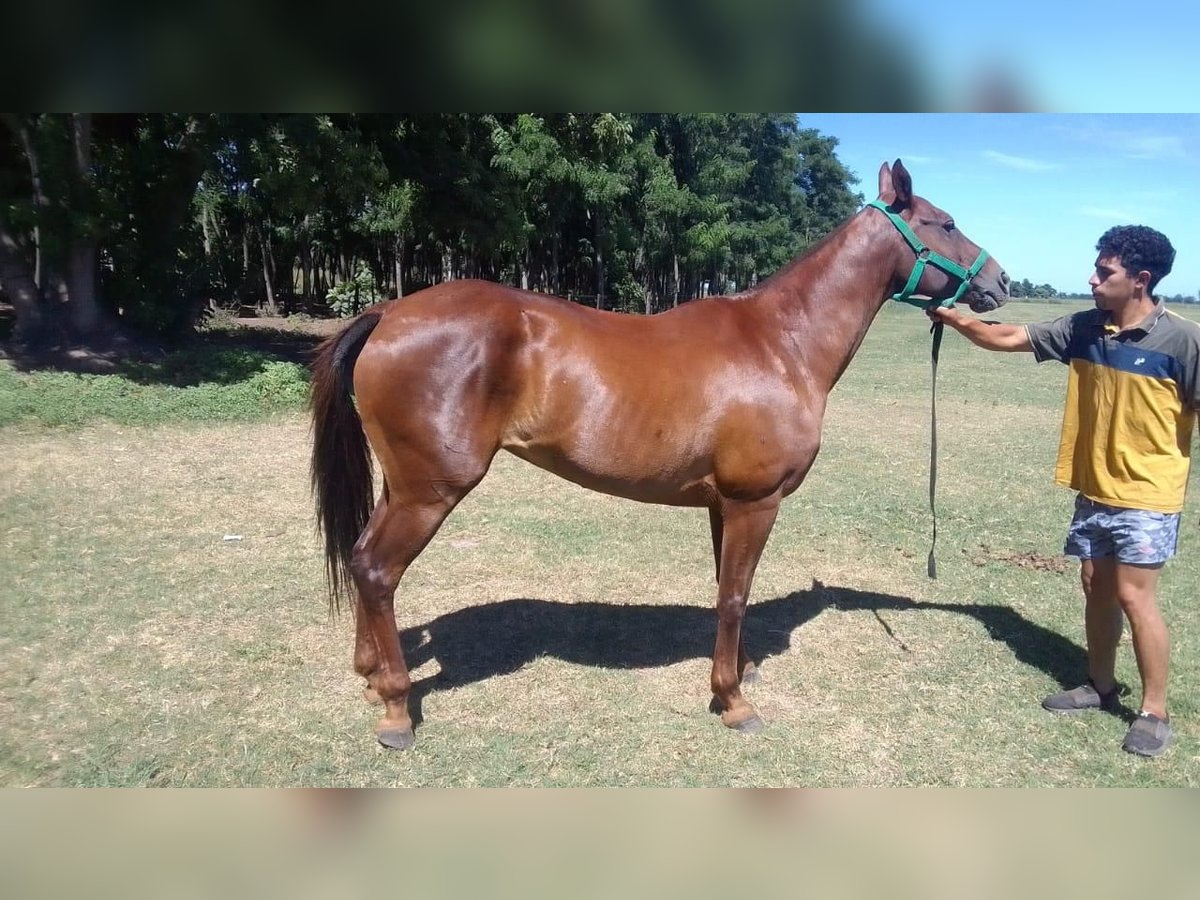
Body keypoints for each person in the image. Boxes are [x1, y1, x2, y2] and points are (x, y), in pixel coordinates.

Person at [929, 225, 1192, 758]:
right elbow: (1006, 337)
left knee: (1134, 596)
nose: (1092, 279)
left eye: (1104, 272)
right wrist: (956, 318)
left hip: (1149, 493)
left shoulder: (1184, 341)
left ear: (1140, 280)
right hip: (1094, 488)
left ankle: (1154, 710)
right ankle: (1100, 686)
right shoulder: (1083, 328)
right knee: (1095, 584)